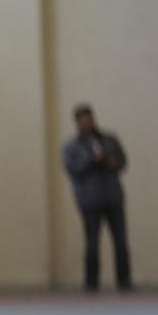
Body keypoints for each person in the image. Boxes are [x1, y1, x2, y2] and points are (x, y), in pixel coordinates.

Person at [63, 103, 132, 292]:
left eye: (90, 119)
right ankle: (91, 283)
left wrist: (110, 161)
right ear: (77, 122)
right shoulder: (71, 147)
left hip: (113, 197)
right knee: (92, 243)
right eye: (83, 121)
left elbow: (122, 162)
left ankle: (124, 282)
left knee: (121, 242)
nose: (88, 123)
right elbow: (73, 170)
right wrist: (90, 160)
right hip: (90, 201)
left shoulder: (109, 140)